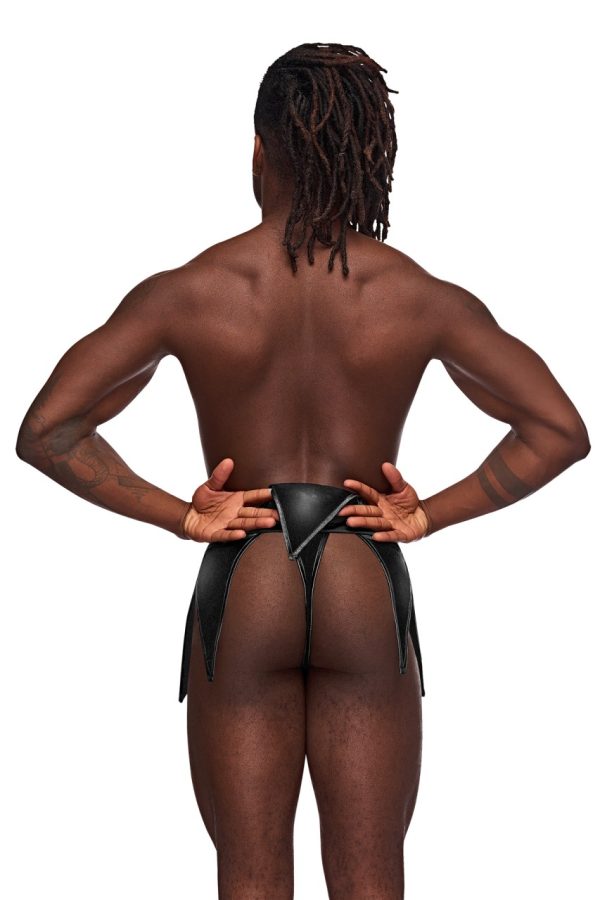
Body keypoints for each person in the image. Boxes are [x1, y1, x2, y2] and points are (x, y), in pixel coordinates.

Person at [15, 41, 590, 900]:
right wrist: (427, 513)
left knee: (249, 876)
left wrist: (184, 515)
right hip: (363, 566)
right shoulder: (418, 295)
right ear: (368, 155)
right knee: (371, 878)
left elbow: (50, 430)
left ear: (259, 149)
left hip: (247, 569)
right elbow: (557, 429)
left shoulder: (190, 289)